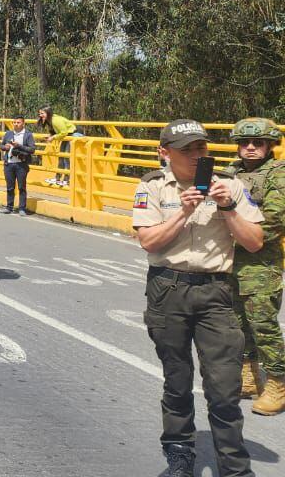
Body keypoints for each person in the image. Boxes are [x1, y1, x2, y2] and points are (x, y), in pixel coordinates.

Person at [133, 119, 263, 477]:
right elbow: (148, 241)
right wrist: (185, 211)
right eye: (186, 149)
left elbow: (254, 241)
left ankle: (235, 469)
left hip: (216, 291)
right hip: (168, 288)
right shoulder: (154, 187)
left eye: (200, 148)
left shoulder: (232, 185)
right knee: (177, 379)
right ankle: (180, 456)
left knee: (224, 387)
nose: (196, 155)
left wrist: (227, 208)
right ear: (165, 153)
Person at [228, 118, 285, 416]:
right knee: (238, 323)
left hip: (262, 263)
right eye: (245, 143)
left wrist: (236, 226)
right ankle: (249, 377)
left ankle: (278, 381)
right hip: (232, 260)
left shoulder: (279, 174)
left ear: (269, 146)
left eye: (257, 143)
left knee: (263, 324)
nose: (250, 148)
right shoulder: (232, 171)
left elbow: (275, 220)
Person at [1, 116, 36, 215]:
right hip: (9, 164)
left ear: (23, 124)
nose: (16, 124)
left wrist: (19, 146)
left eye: (18, 122)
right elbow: (1, 146)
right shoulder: (8, 134)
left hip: (21, 164)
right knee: (10, 187)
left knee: (22, 187)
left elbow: (32, 149)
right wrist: (5, 147)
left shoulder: (28, 135)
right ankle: (9, 207)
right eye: (14, 122)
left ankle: (22, 208)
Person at [37, 106, 79, 187]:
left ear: (48, 113)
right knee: (61, 156)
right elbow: (57, 132)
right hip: (66, 136)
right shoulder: (50, 121)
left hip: (72, 135)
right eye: (39, 113)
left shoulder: (55, 120)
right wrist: (50, 136)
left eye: (42, 113)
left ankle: (67, 179)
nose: (40, 115)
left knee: (66, 157)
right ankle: (57, 178)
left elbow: (64, 132)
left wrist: (53, 137)